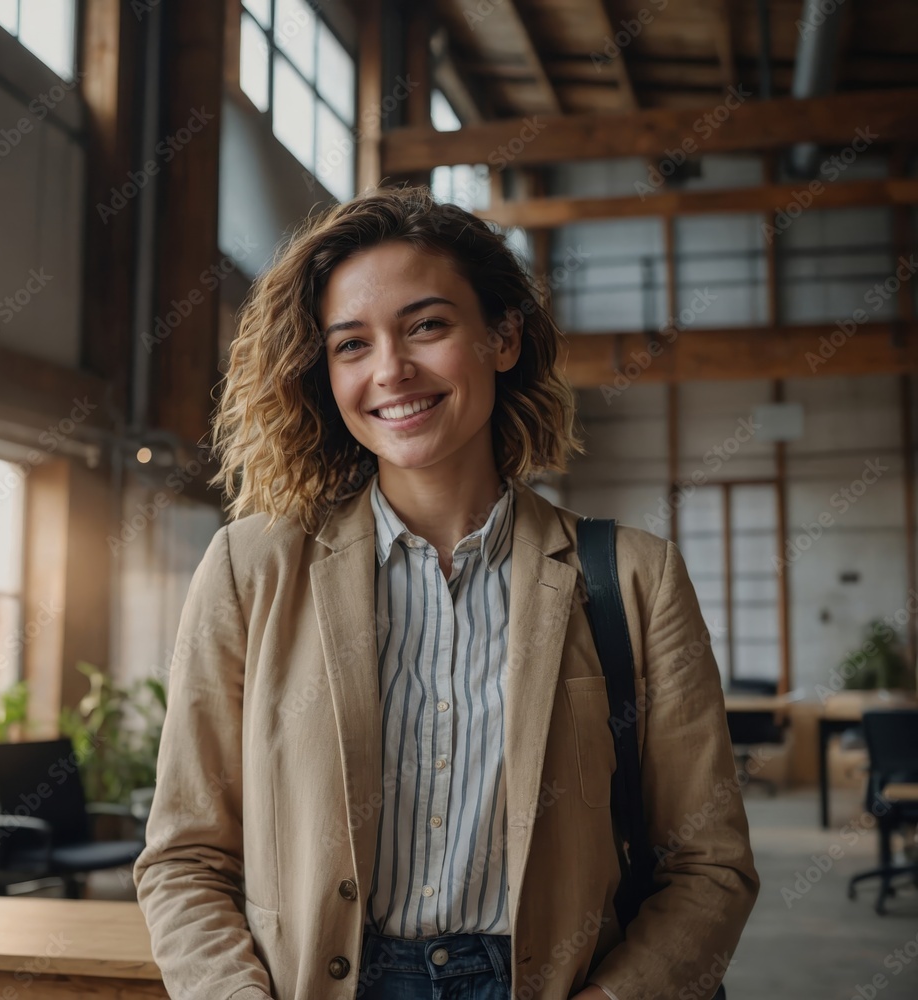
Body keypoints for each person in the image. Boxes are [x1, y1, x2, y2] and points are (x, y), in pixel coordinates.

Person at [133, 184, 760, 1000]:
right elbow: (185, 857)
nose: (391, 370)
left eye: (426, 325)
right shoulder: (250, 571)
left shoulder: (635, 579)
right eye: (351, 344)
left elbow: (709, 864)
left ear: (502, 337)